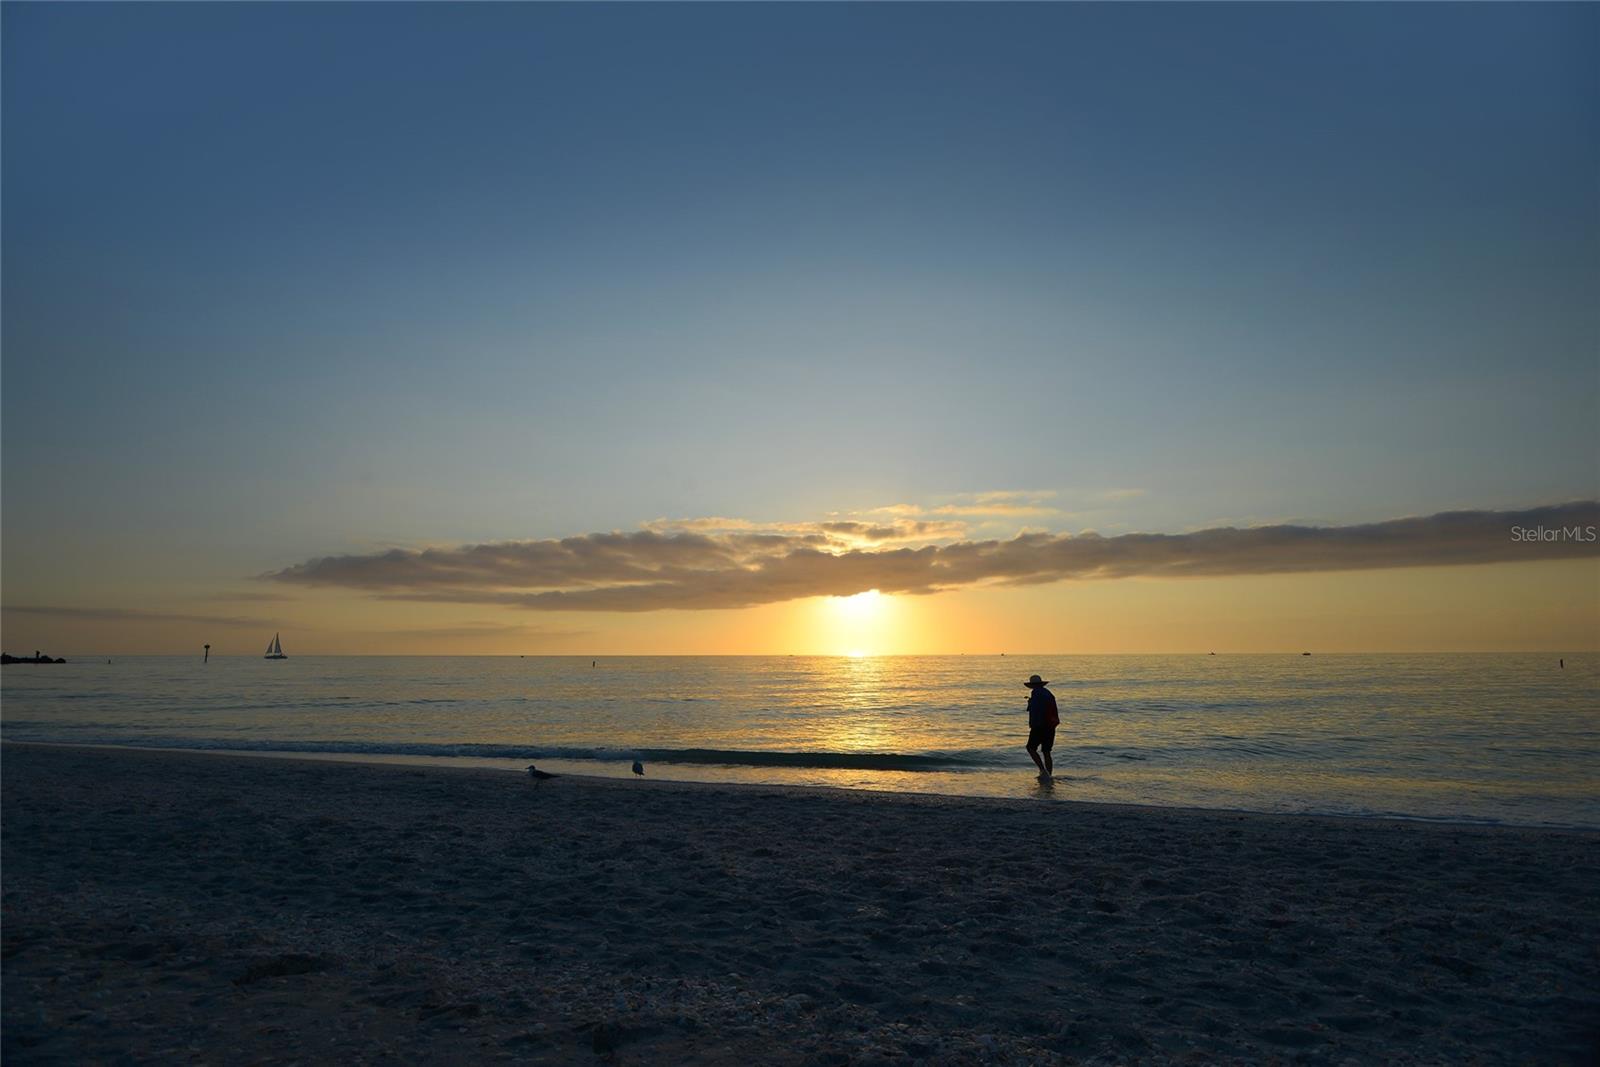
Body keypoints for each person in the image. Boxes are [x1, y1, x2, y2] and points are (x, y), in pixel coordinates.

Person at [1023, 674, 1058, 779]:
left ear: (1032, 685)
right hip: (1050, 725)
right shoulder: (1048, 693)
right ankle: (1049, 775)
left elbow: (1035, 710)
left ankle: (1042, 770)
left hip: (1039, 725)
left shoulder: (1036, 693)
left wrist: (1030, 704)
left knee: (1030, 748)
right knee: (1046, 751)